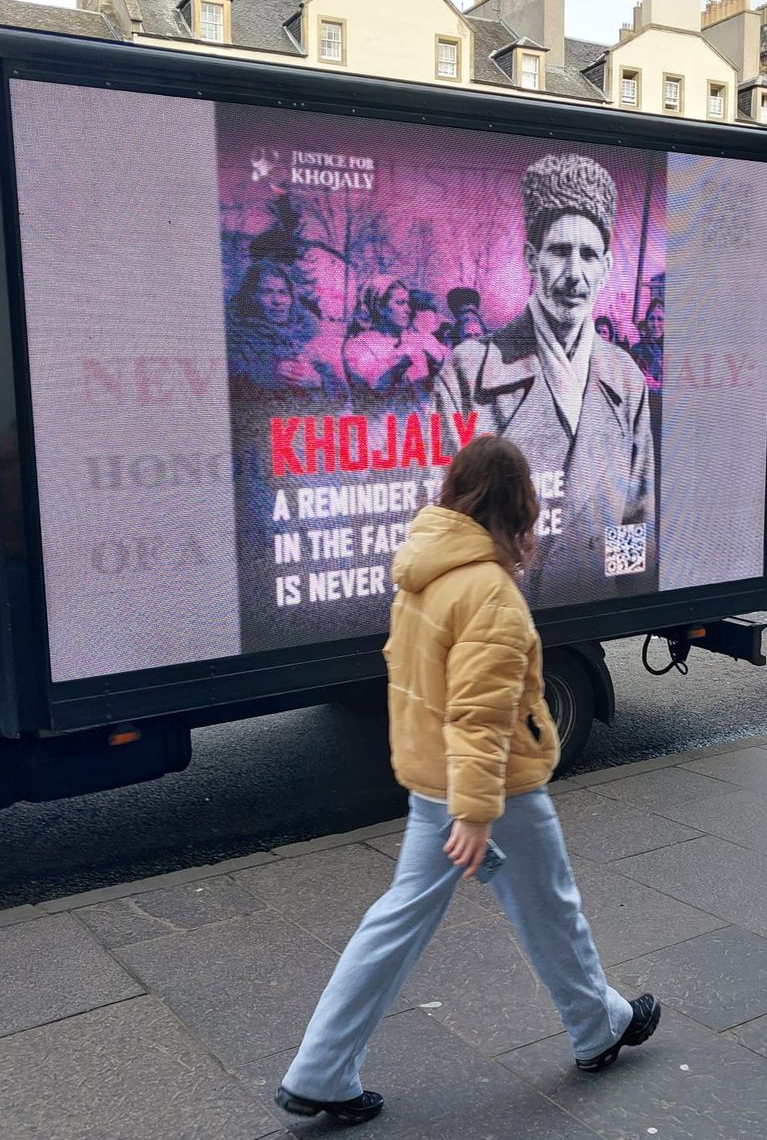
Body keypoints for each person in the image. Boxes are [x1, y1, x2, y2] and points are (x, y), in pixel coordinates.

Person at [276, 436, 660, 1127]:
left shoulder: (423, 569)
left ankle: (321, 1070)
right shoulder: (489, 591)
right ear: (520, 509)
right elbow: (481, 717)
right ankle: (598, 1025)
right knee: (551, 909)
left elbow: (414, 683)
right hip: (495, 791)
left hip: (435, 784)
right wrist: (477, 813)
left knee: (400, 922)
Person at [437, 152, 657, 608]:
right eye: (559, 251)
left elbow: (635, 513)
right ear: (531, 259)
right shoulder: (469, 369)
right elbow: (439, 518)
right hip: (493, 613)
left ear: (606, 267)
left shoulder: (625, 378)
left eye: (588, 254)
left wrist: (623, 605)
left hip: (585, 599)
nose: (573, 275)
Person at [339, 276, 449, 414]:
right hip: (376, 428)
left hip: (416, 427)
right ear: (380, 307)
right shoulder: (358, 345)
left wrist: (440, 359)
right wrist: (402, 356)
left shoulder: (415, 338)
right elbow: (375, 386)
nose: (408, 310)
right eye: (400, 303)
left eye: (408, 303)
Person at [225, 260, 322, 392]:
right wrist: (270, 374)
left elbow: (336, 382)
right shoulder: (233, 335)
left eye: (283, 292)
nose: (277, 301)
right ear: (251, 296)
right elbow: (231, 375)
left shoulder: (304, 334)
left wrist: (317, 380)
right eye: (267, 292)